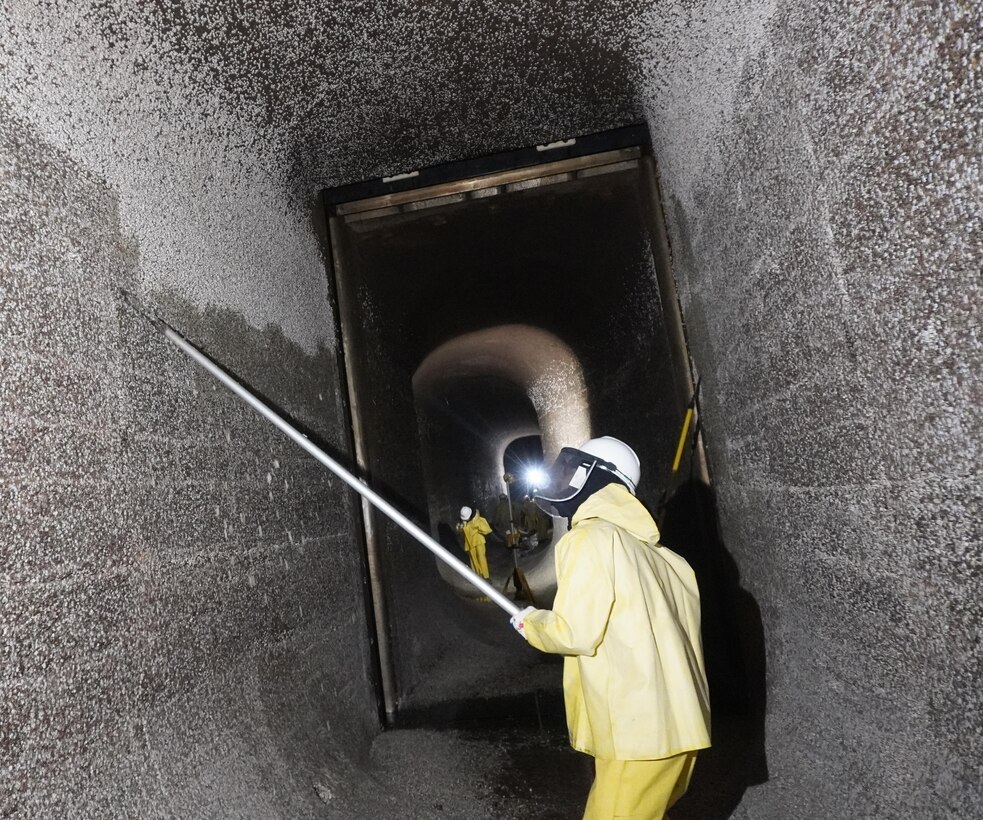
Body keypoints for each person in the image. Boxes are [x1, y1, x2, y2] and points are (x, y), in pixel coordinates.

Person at [509, 436, 711, 820]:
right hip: (680, 730)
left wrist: (530, 622)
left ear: (599, 480)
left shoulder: (590, 538)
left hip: (637, 734)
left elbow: (574, 631)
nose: (563, 479)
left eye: (572, 471)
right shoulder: (669, 561)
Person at [457, 505, 492, 580]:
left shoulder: (478, 520)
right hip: (469, 543)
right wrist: (460, 527)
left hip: (478, 541)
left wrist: (476, 526)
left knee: (481, 558)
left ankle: (486, 577)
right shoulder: (463, 522)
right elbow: (458, 529)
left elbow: (487, 530)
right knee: (473, 560)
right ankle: (477, 577)